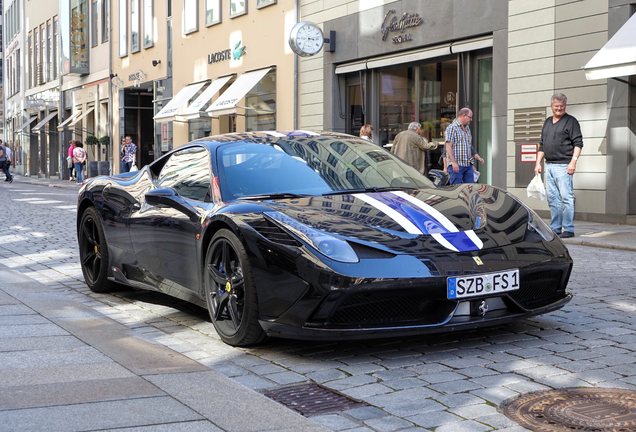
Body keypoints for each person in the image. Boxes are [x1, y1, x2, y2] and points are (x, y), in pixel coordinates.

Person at [534, 93, 583, 239]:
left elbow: (578, 144)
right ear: (551, 106)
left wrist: (573, 162)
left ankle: (568, 228)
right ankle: (555, 227)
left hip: (564, 166)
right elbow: (542, 144)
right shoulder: (548, 122)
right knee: (553, 198)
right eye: (556, 106)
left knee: (566, 198)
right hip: (549, 165)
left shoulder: (571, 121)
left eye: (562, 106)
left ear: (565, 106)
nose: (559, 109)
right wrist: (537, 163)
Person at [445, 107, 484, 184]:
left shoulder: (467, 128)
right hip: (456, 165)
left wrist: (474, 160)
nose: (471, 119)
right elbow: (448, 146)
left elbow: (468, 146)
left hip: (467, 165)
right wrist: (453, 162)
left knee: (470, 189)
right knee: (457, 189)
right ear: (463, 115)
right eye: (470, 117)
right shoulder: (452, 127)